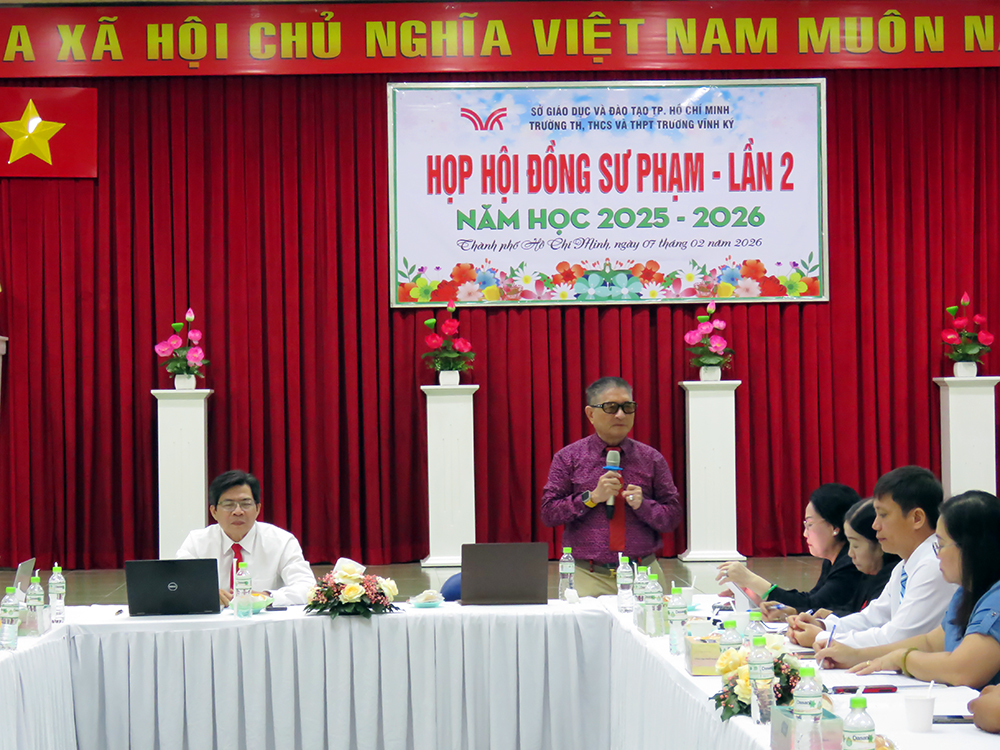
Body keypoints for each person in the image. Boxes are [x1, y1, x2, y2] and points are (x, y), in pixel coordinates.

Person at [815, 490, 1000, 689]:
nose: (937, 554)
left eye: (941, 545)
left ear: (971, 548)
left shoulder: (996, 599)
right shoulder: (964, 593)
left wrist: (902, 659)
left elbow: (962, 670)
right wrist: (856, 655)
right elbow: (930, 643)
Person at [787, 466, 957, 649]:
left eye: (883, 515)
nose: (875, 525)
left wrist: (822, 638)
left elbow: (897, 639)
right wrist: (823, 625)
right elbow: (872, 618)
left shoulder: (934, 565)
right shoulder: (904, 566)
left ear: (917, 518)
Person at [540, 376, 682, 597]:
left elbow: (672, 517)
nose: (620, 415)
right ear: (590, 414)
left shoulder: (651, 458)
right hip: (587, 575)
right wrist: (591, 498)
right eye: (611, 407)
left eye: (627, 407)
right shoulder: (568, 458)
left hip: (643, 574)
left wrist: (644, 505)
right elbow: (549, 513)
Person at [717, 484, 864, 619]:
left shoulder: (851, 562)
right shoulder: (832, 560)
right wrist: (756, 594)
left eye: (810, 524)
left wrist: (751, 579)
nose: (805, 534)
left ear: (834, 527)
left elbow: (813, 605)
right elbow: (812, 600)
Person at [177, 469, 316, 606]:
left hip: (262, 619)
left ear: (257, 509)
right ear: (214, 511)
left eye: (245, 504)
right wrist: (204, 593)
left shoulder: (282, 541)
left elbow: (307, 587)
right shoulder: (197, 543)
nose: (238, 512)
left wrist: (266, 597)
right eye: (228, 505)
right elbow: (177, 585)